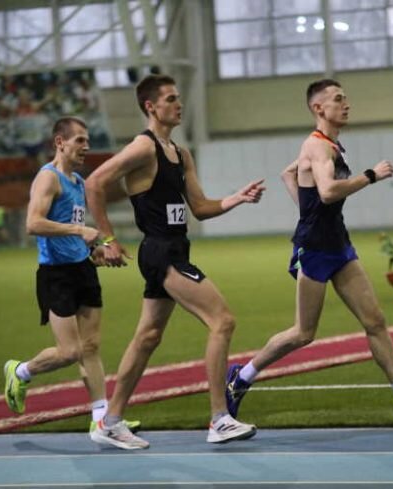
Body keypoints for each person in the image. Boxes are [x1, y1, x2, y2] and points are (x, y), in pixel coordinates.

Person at [224, 79, 393, 423]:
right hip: (316, 249)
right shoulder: (318, 146)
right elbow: (330, 192)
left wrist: (307, 212)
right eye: (338, 99)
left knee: (375, 321)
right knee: (303, 333)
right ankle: (240, 378)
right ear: (319, 108)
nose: (346, 104)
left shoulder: (329, 145)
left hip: (338, 243)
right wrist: (371, 175)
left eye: (346, 98)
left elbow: (288, 173)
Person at [85, 74, 265, 448]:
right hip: (160, 251)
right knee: (222, 320)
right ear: (150, 107)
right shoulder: (143, 147)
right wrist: (108, 239)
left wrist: (235, 199)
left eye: (178, 97)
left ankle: (110, 422)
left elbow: (199, 207)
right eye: (170, 99)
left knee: (148, 337)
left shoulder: (181, 154)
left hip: (177, 248)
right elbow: (95, 183)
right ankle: (219, 419)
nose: (178, 104)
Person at [2, 117, 140, 435]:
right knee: (70, 352)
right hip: (56, 275)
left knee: (91, 346)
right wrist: (79, 230)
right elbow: (33, 224)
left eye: (87, 140)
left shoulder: (77, 181)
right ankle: (20, 371)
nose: (86, 146)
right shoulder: (47, 179)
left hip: (82, 269)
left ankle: (101, 420)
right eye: (79, 140)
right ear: (59, 142)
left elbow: (72, 231)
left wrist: (95, 251)